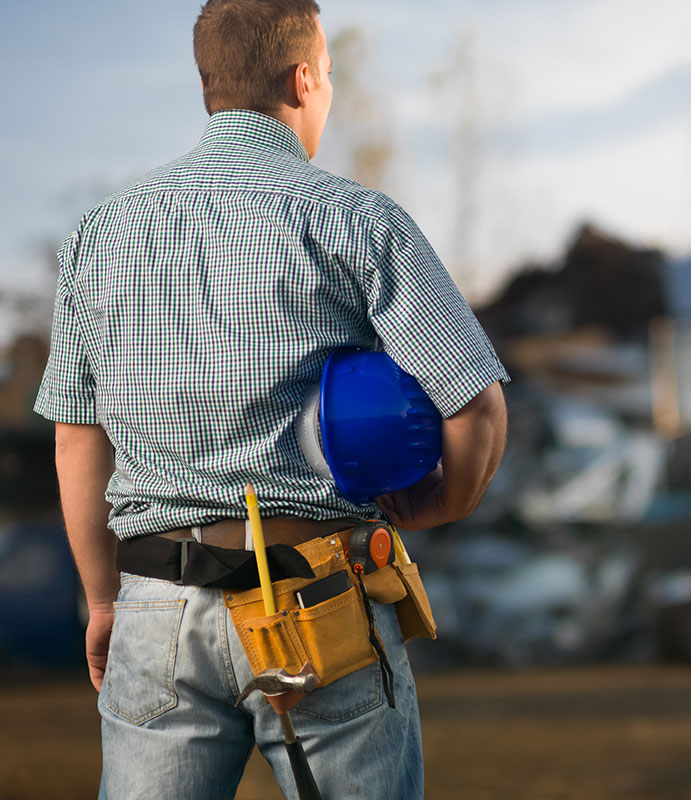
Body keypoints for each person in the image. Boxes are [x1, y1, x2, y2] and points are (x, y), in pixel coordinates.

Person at [35, 0, 508, 796]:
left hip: (155, 608)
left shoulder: (99, 234)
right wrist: (440, 504)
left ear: (208, 84)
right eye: (328, 77)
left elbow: (78, 438)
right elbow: (476, 404)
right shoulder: (356, 219)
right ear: (302, 79)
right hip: (320, 601)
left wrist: (103, 600)